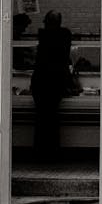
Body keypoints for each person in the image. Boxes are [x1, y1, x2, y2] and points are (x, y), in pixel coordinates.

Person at [31, 10, 72, 160]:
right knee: (52, 118)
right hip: (56, 83)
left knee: (41, 118)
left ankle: (40, 151)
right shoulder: (65, 35)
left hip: (40, 82)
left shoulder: (43, 35)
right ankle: (52, 151)